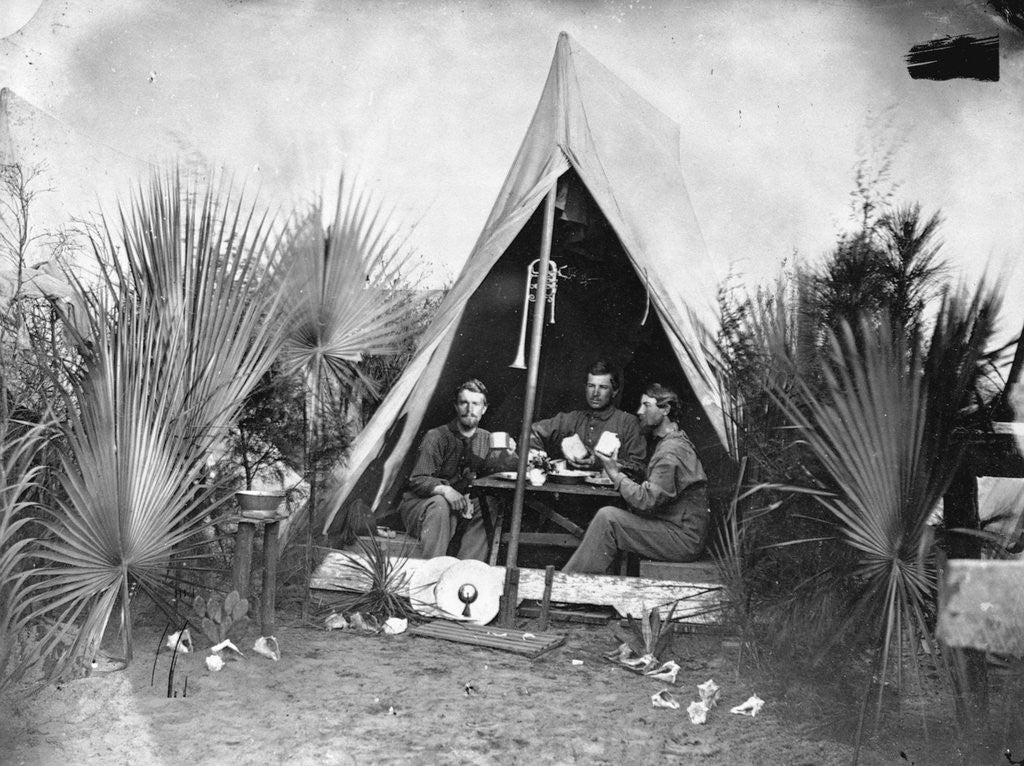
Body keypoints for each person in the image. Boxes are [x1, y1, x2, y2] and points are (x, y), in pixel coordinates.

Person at [563, 383, 710, 574]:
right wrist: (618, 468)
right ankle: (576, 587)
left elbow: (646, 499)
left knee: (608, 518)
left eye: (646, 405)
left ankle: (566, 589)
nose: (639, 411)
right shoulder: (673, 442)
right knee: (611, 517)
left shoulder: (672, 451)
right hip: (681, 531)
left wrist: (614, 473)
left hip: (683, 539)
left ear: (665, 409)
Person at [397, 379, 517, 560]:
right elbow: (418, 479)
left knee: (488, 504)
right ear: (456, 406)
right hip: (422, 508)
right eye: (464, 403)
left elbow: (502, 472)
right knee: (440, 504)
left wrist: (510, 455)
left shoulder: (487, 439)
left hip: (459, 508)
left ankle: (466, 571)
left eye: (476, 404)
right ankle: (433, 570)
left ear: (484, 409)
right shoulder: (436, 436)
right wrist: (446, 490)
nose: (470, 409)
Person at [529, 360, 645, 478]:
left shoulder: (628, 422)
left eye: (603, 387)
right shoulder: (572, 419)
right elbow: (532, 431)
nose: (595, 393)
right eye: (591, 386)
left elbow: (638, 467)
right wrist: (540, 463)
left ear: (614, 391)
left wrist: (598, 462)